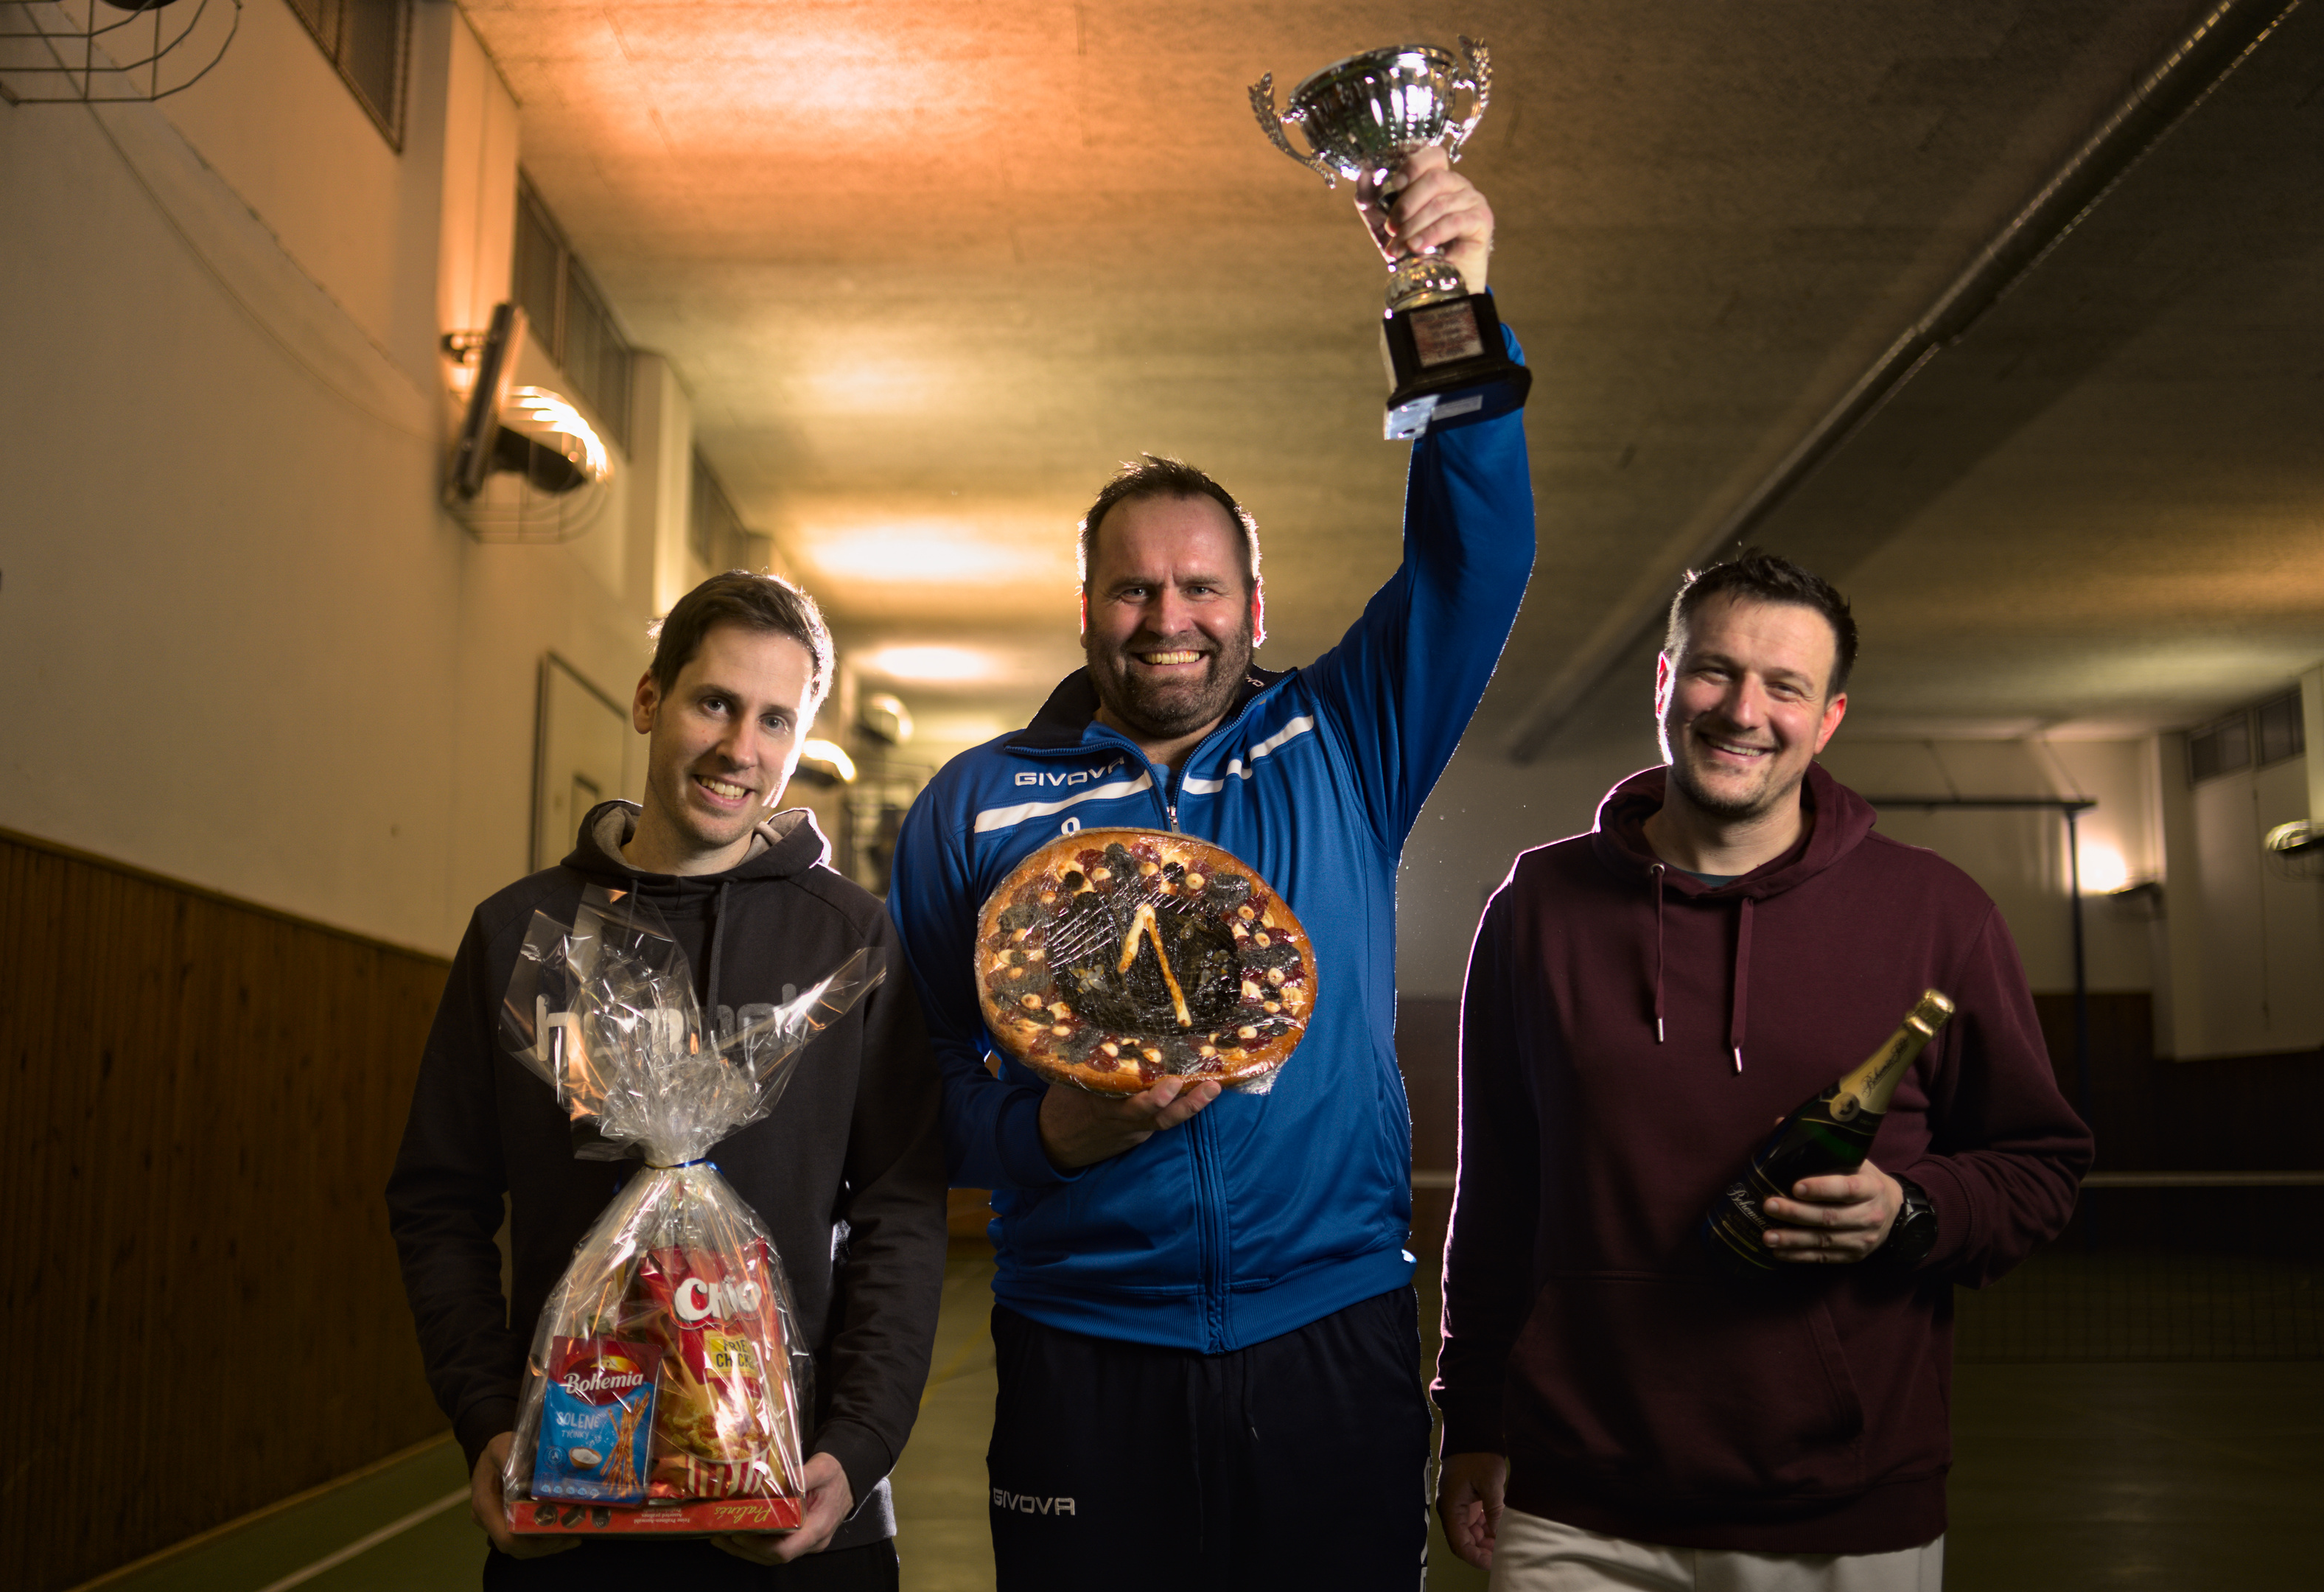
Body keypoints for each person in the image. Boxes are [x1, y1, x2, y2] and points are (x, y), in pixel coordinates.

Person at [884, 146, 1536, 1589]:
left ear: (1253, 603)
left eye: (1199, 586)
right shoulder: (975, 806)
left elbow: (1472, 560)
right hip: (1081, 1348)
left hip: (1329, 1331)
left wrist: (1446, 299)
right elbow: (906, 1090)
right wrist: (1046, 1139)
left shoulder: (1345, 738)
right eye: (1134, 587)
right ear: (1084, 609)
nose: (1167, 618)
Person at [1435, 552, 2095, 1590]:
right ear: (1666, 683)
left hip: (1844, 1509)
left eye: (1785, 686)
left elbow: (2038, 1164)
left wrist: (1910, 1213)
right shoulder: (1537, 911)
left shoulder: (1937, 914)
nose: (1743, 712)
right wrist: (1471, 1415)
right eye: (1716, 671)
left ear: (1828, 719)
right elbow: (1497, 1194)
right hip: (1573, 1501)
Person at [388, 572, 948, 1589]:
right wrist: (488, 1419)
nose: (741, 749)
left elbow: (900, 1211)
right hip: (571, 1487)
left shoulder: (852, 943)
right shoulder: (518, 935)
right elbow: (439, 1200)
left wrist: (857, 1448)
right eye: (714, 703)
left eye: (775, 720)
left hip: (800, 1498)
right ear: (650, 700)